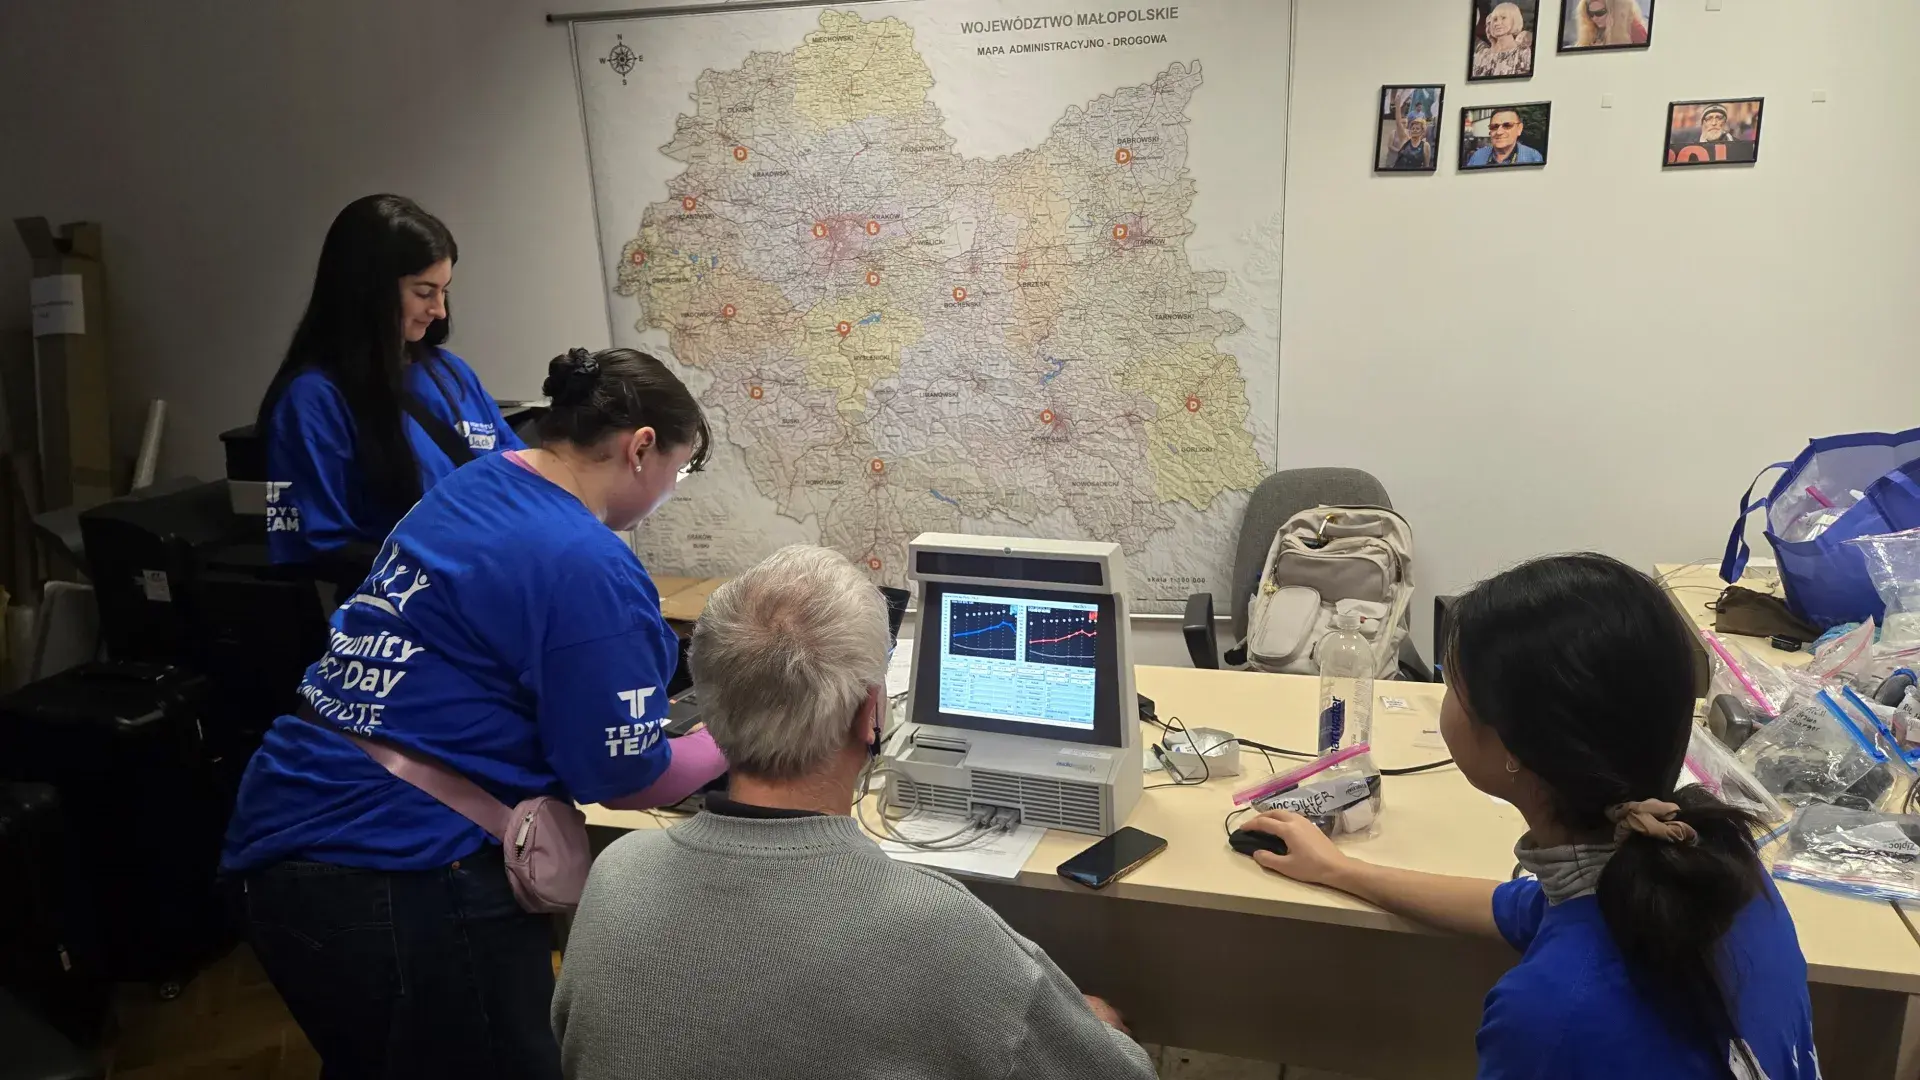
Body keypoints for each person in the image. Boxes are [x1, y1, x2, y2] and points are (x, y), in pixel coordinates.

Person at [223, 347, 730, 1079]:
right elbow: (622, 774)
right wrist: (731, 738)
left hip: (285, 826)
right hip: (401, 870)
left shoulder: (474, 485)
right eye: (678, 474)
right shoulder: (584, 560)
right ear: (641, 447)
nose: (668, 493)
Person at [553, 544, 1159, 1080]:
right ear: (871, 713)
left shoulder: (615, 876)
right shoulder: (942, 930)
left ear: (706, 708)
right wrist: (1093, 1022)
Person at [1241, 554, 1819, 1079]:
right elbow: (1523, 907)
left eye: (1453, 687)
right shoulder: (1708, 863)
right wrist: (1341, 871)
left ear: (1511, 748)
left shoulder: (1551, 1015)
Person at [256, 194, 525, 584]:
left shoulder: (452, 373)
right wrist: (451, 569)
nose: (439, 310)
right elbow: (318, 548)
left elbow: (515, 473)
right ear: (369, 291)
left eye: (444, 291)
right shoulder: (313, 400)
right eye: (423, 292)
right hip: (404, 622)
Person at [1472, 2, 1535, 79]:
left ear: (1514, 20)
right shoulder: (1482, 55)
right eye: (1495, 19)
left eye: (1503, 18)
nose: (1497, 23)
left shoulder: (1523, 54)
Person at [1465, 109, 1544, 167]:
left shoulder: (1533, 157)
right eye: (1494, 127)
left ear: (1519, 129)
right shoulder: (1477, 156)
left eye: (1507, 125)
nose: (1499, 132)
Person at [1687, 103, 1757, 163]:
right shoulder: (1691, 149)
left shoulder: (1740, 147)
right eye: (1709, 118)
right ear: (1703, 124)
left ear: (1725, 122)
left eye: (1719, 118)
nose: (1714, 123)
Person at [1569, 0, 1649, 48]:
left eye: (1600, 12)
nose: (1594, 18)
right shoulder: (1592, 29)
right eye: (1590, 14)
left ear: (1615, 11)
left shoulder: (1635, 29)